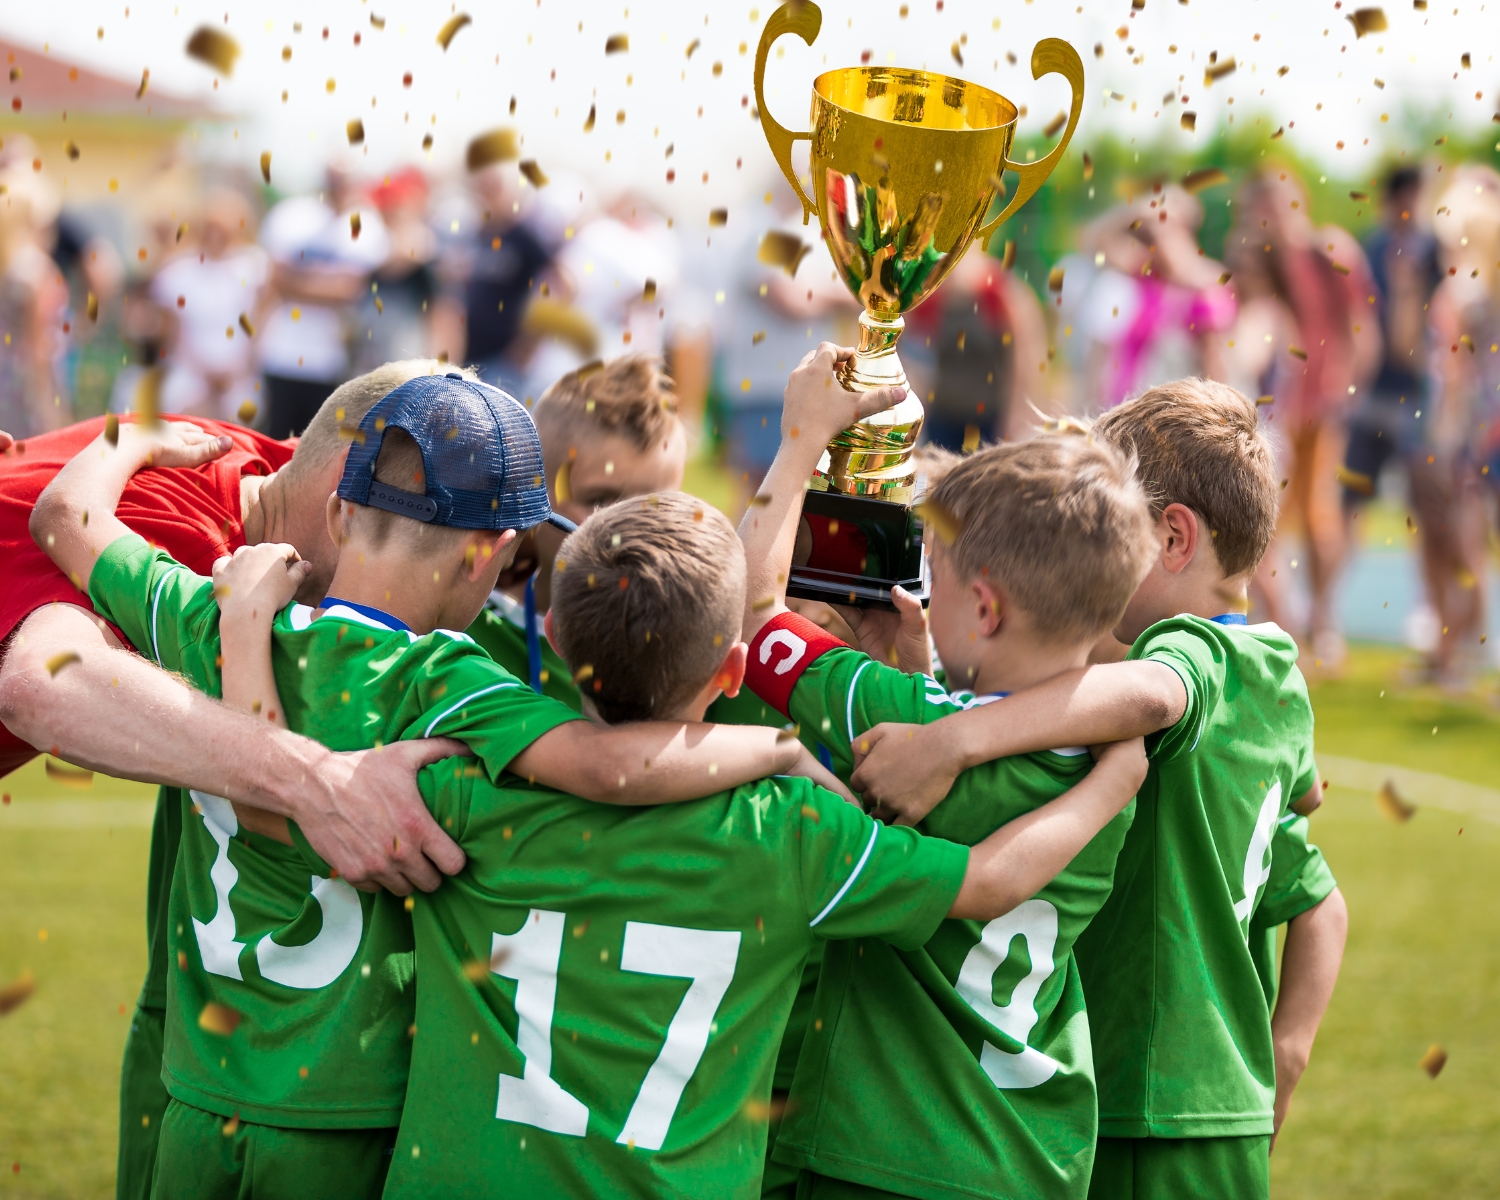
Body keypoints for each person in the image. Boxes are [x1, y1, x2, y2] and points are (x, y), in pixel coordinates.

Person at [29, 374, 850, 1199]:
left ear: (343, 515)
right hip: (348, 1120)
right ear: (490, 557)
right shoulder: (447, 680)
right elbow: (610, 766)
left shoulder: (213, 612)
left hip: (198, 1101)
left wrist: (129, 441)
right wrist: (777, 748)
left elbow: (66, 520)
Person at [373, 492, 1145, 1198]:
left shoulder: (460, 798)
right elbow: (984, 883)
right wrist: (1113, 780)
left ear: (550, 630)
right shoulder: (794, 830)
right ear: (732, 672)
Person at [848, 378, 1348, 1200]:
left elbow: (1152, 694)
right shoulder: (1270, 685)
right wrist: (1283, 1056)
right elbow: (1321, 902)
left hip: (1147, 1100)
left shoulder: (1198, 657)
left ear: (1175, 540)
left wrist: (950, 740)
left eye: (1114, 529)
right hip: (1207, 1103)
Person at [0, 364, 472, 1200]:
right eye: (413, 535)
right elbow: (42, 679)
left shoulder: (247, 460)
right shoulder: (190, 542)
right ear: (342, 498)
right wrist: (315, 777)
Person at [732, 344, 1155, 1199]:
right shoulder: (1108, 762)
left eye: (941, 582)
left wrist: (801, 436)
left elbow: (747, 610)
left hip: (879, 1146)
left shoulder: (898, 716)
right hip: (1031, 1153)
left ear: (986, 607)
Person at [470, 354, 687, 709]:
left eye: (654, 504)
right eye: (599, 500)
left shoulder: (690, 644)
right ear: (530, 495)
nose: (629, 527)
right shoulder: (473, 634)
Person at [1232, 169, 1379, 669]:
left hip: (1319, 407)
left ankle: (1322, 618)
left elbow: (1360, 329)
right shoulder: (1258, 263)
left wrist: (1347, 390)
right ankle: (1282, 620)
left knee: (1320, 519)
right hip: (1272, 410)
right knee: (1266, 521)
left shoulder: (1329, 252)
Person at [1418, 165, 1497, 686]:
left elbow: (1459, 379)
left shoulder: (1471, 298)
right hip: (1479, 438)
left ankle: (1456, 655)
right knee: (1467, 548)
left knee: (1469, 549)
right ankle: (1452, 656)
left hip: (1482, 438)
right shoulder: (1469, 296)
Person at [257, 182, 389, 438]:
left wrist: (296, 282)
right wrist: (328, 283)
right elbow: (276, 279)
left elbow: (349, 290)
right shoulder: (292, 216)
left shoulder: (367, 224)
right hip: (281, 353)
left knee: (317, 447)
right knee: (275, 440)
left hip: (331, 358)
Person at [908, 240, 1048, 451]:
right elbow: (910, 344)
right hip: (943, 413)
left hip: (988, 415)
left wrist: (1017, 412)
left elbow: (1023, 358)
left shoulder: (996, 292)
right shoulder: (932, 295)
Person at [148, 187, 270, 425]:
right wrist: (203, 372)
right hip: (189, 369)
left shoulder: (256, 267)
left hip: (239, 372)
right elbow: (172, 332)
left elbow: (261, 320)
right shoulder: (177, 272)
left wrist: (238, 368)